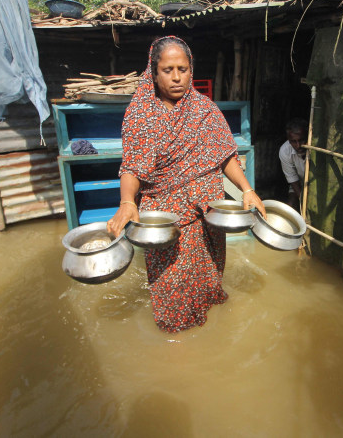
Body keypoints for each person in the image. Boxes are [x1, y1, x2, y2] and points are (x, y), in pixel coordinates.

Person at [107, 36, 265, 333]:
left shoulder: (205, 109)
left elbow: (225, 155)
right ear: (153, 73)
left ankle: (207, 339)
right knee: (170, 288)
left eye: (183, 68)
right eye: (168, 70)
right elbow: (132, 165)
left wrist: (248, 189)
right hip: (166, 221)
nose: (177, 77)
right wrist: (127, 201)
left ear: (192, 71)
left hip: (208, 215)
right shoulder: (142, 113)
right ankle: (175, 350)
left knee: (207, 278)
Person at [279, 118, 308, 211]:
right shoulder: (285, 151)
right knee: (290, 207)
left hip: (316, 185)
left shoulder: (315, 148)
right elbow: (293, 179)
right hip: (299, 183)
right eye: (293, 142)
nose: (298, 145)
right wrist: (303, 202)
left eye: (301, 140)